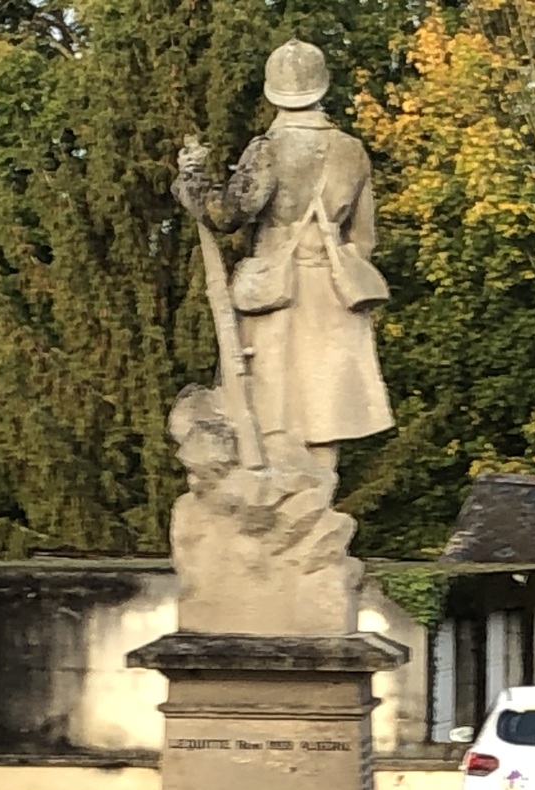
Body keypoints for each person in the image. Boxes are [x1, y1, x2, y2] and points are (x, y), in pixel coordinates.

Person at [175, 38, 394, 473]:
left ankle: (283, 511)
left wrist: (191, 178)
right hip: (334, 295)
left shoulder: (269, 149)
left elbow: (227, 213)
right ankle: (315, 506)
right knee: (323, 416)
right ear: (321, 87)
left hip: (277, 292)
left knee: (271, 410)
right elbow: (364, 236)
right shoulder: (352, 150)